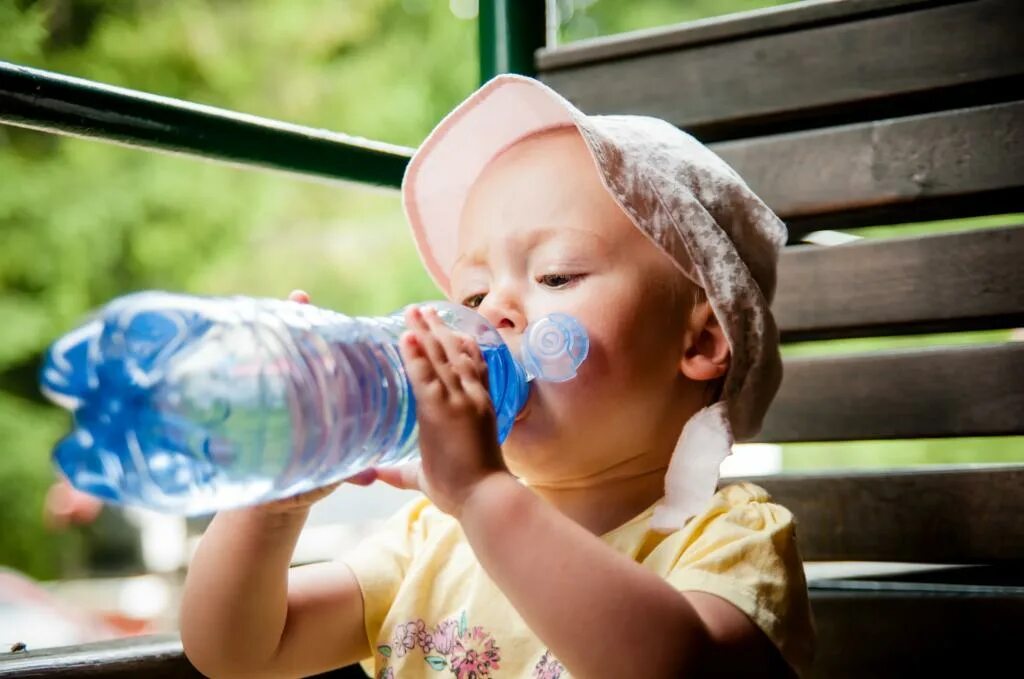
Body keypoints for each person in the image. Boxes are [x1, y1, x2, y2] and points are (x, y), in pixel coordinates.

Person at [180, 75, 815, 679]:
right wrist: (268, 503)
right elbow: (238, 651)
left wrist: (485, 496)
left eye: (556, 275)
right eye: (474, 292)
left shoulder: (728, 542)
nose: (493, 314)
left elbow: (676, 667)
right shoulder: (429, 540)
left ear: (701, 341)